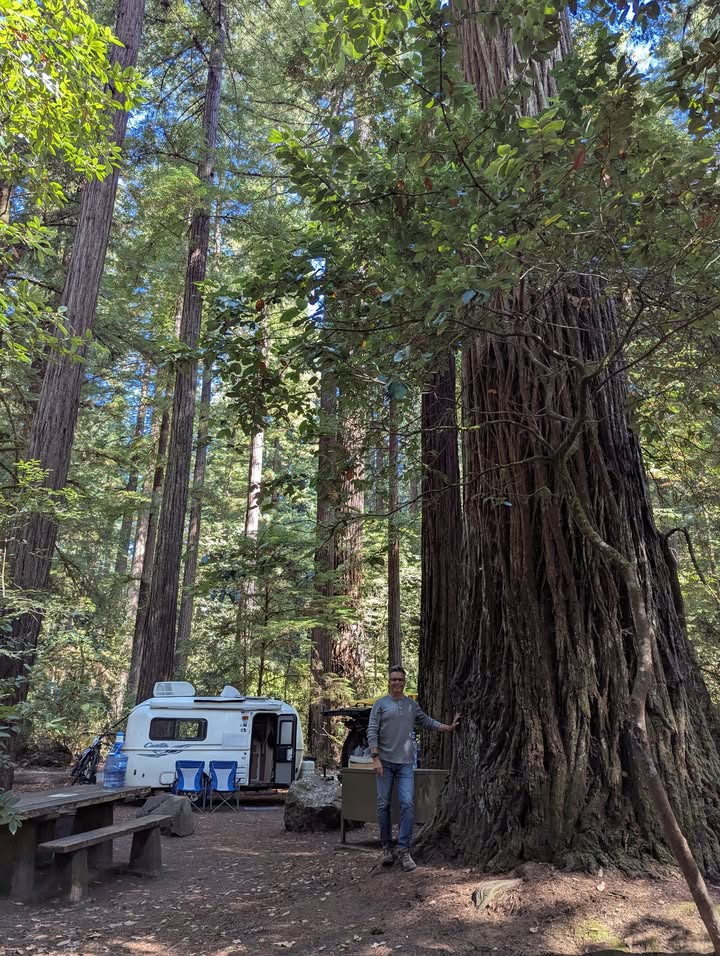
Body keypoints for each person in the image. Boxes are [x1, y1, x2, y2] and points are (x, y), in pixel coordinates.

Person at [367, 664, 460, 872]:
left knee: (407, 804)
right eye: (394, 679)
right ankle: (386, 848)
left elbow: (425, 721)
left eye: (400, 680)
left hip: (406, 763)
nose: (397, 683)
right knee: (383, 805)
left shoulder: (411, 705)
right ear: (389, 681)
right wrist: (375, 757)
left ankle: (403, 849)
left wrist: (447, 728)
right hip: (384, 762)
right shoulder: (380, 704)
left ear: (404, 682)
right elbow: (372, 730)